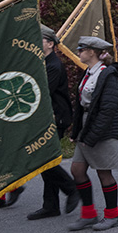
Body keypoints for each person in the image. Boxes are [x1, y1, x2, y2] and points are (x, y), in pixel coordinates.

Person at [68, 37, 118, 231]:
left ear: (92, 52)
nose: (79, 52)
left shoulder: (108, 75)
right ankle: (89, 214)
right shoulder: (88, 73)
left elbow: (108, 110)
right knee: (77, 169)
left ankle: (112, 215)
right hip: (87, 127)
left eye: (81, 49)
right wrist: (77, 132)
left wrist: (91, 137)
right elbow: (81, 106)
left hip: (103, 130)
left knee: (103, 172)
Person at [26, 25, 80, 220]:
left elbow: (42, 92)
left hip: (57, 118)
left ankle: (71, 187)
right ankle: (51, 205)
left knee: (44, 159)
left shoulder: (53, 66)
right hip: (48, 118)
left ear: (50, 43)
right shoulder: (42, 63)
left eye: (39, 40)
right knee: (45, 161)